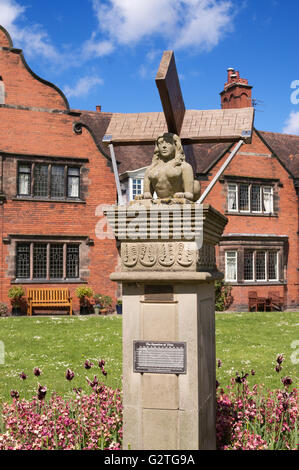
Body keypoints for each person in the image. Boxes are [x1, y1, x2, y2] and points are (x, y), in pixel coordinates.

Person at [136, 133, 200, 202]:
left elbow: (189, 194)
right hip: (160, 202)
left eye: (168, 143)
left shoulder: (184, 166)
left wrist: (185, 194)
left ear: (175, 145)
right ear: (157, 146)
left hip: (181, 199)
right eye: (160, 143)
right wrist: (145, 195)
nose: (164, 146)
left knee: (196, 184)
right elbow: (147, 194)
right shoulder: (150, 169)